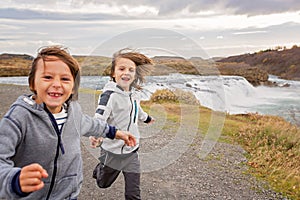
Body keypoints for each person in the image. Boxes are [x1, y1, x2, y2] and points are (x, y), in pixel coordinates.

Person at [0, 45, 136, 200]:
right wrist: (14, 180)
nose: (57, 84)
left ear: (72, 87)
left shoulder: (73, 111)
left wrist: (116, 133)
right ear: (32, 84)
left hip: (68, 195)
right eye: (47, 77)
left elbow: (91, 124)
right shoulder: (19, 117)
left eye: (65, 79)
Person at [89, 48, 155, 200]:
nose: (126, 72)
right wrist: (96, 134)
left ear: (135, 74)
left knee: (133, 193)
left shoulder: (134, 94)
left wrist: (146, 118)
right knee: (103, 183)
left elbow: (137, 110)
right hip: (111, 152)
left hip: (132, 151)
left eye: (131, 69)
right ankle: (99, 169)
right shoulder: (109, 95)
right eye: (122, 68)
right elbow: (100, 115)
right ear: (113, 73)